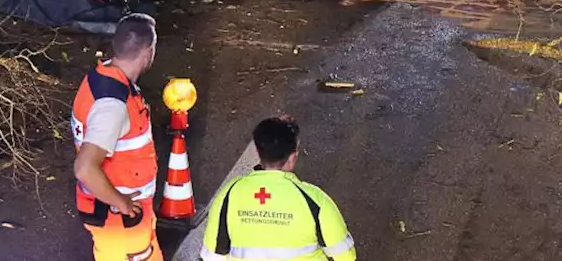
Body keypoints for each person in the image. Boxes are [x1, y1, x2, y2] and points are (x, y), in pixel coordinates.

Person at [72, 13, 163, 261]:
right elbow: (84, 168)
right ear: (148, 52)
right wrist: (121, 203)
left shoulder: (102, 77)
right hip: (119, 219)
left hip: (124, 215)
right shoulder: (113, 105)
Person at [200, 116, 356, 261]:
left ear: (258, 152)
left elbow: (212, 256)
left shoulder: (229, 194)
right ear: (292, 157)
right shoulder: (314, 200)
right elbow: (346, 256)